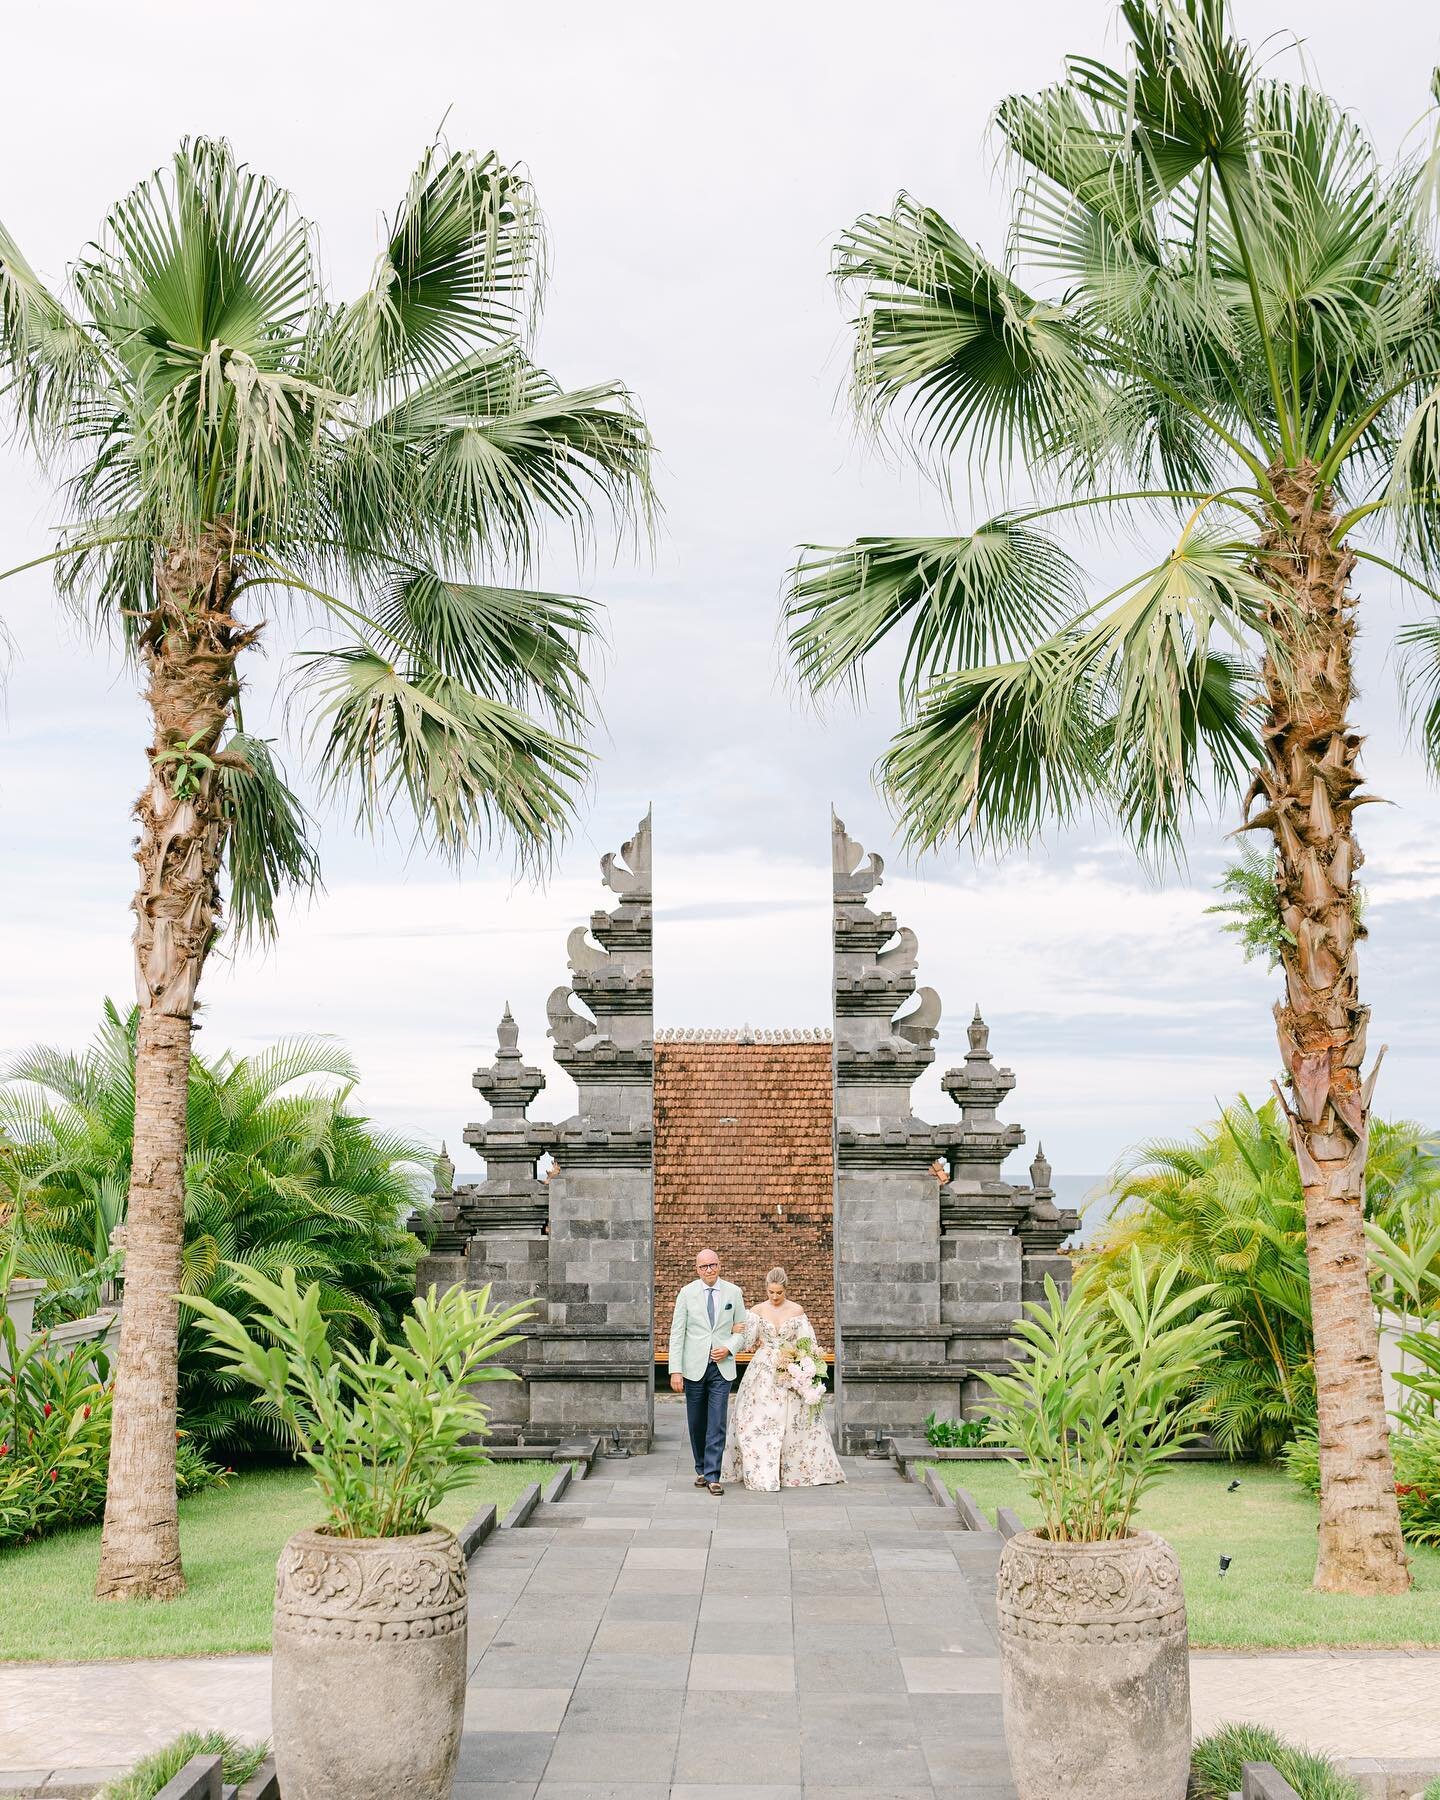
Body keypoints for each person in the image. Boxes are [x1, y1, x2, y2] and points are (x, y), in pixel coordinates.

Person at [721, 1266, 845, 1491]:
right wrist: (736, 1328)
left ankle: (794, 1470)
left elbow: (806, 1343)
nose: (775, 1297)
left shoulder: (796, 1311)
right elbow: (748, 1342)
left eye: (779, 1292)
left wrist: (803, 1367)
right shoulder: (757, 1310)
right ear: (766, 1289)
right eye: (771, 1292)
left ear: (785, 1289)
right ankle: (759, 1469)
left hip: (789, 1367)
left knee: (792, 1421)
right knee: (755, 1418)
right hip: (762, 1368)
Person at [668, 1248, 748, 1495]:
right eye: (704, 1267)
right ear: (697, 1269)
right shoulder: (687, 1293)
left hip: (721, 1369)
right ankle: (701, 1468)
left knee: (717, 1421)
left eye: (713, 1265)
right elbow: (677, 1333)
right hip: (693, 1368)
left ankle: (714, 1475)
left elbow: (741, 1332)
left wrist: (728, 1348)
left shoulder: (733, 1292)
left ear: (720, 1265)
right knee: (696, 1422)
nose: (709, 1270)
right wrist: (675, 1370)